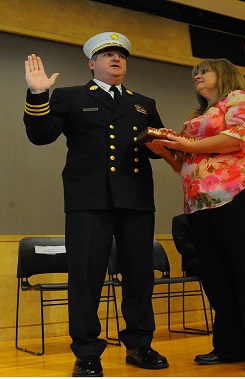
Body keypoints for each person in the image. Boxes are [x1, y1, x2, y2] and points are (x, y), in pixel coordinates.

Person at [23, 32, 168, 377]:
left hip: (135, 199)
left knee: (139, 276)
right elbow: (40, 136)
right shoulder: (71, 96)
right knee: (86, 278)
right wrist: (38, 93)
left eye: (121, 54)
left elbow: (160, 147)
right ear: (92, 63)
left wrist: (169, 144)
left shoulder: (142, 102)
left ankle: (139, 345)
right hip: (88, 200)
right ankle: (87, 352)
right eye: (107, 54)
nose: (116, 58)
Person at [146, 58, 245, 371]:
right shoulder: (197, 116)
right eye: (194, 74)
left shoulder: (240, 100)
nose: (197, 76)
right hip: (202, 203)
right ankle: (232, 346)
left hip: (243, 193)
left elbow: (243, 137)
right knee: (218, 277)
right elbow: (193, 165)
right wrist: (171, 155)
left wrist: (187, 143)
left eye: (204, 71)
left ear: (224, 74)